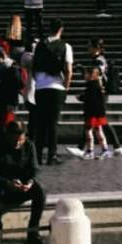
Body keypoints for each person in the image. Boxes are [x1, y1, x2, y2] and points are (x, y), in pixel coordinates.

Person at [0, 120, 46, 244]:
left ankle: (33, 231)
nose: (17, 143)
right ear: (8, 136)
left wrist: (30, 182)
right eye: (14, 140)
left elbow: (34, 168)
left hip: (22, 186)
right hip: (3, 185)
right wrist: (7, 183)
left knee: (40, 192)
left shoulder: (29, 146)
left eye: (20, 140)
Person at [33, 17, 73, 166]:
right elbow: (69, 70)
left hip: (41, 87)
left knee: (40, 122)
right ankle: (52, 155)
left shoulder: (40, 45)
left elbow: (33, 67)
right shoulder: (66, 46)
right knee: (53, 123)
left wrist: (37, 81)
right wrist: (66, 87)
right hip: (57, 87)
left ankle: (37, 155)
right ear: (61, 29)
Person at [80, 65, 111, 160]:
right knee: (98, 131)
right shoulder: (98, 84)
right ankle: (105, 150)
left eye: (86, 74)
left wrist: (81, 98)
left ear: (91, 75)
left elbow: (89, 99)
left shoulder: (91, 85)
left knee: (88, 131)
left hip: (92, 113)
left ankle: (90, 151)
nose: (84, 75)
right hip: (98, 112)